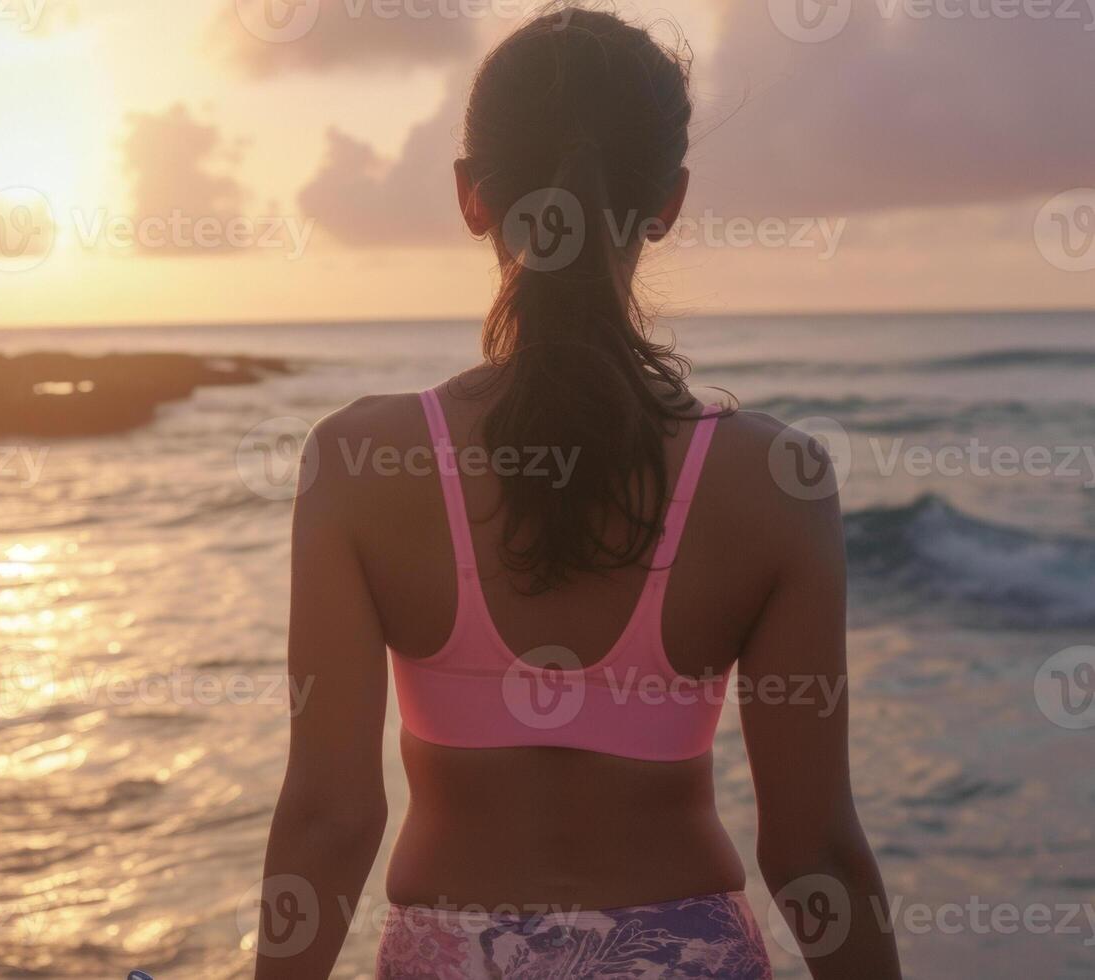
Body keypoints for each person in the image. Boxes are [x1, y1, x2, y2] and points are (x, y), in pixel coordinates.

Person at [251, 8, 902, 978]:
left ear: (472, 196)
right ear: (669, 202)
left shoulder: (357, 463)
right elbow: (814, 851)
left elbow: (331, 818)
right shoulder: (779, 482)